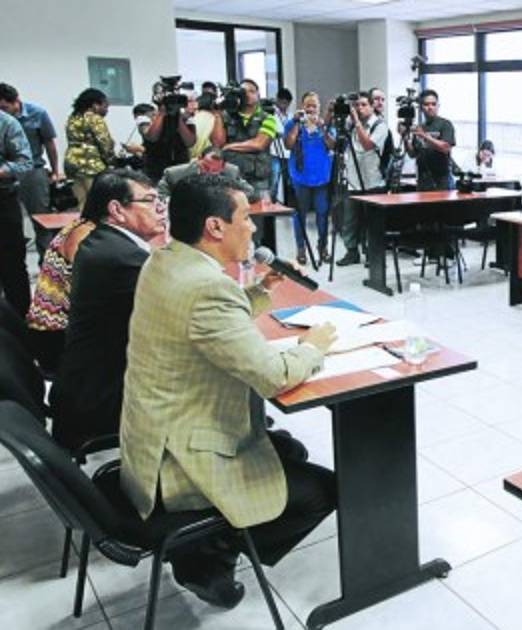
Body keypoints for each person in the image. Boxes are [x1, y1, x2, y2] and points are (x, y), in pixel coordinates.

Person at [119, 173, 336, 609]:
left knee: (288, 449)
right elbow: (273, 376)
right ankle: (211, 552)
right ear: (215, 227)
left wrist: (261, 290)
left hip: (151, 439)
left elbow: (204, 319)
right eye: (246, 218)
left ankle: (212, 548)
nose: (254, 228)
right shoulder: (207, 287)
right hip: (182, 457)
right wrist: (312, 347)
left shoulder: (164, 261)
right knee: (324, 490)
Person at [49, 169, 164, 453]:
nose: (161, 208)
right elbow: (187, 310)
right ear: (116, 210)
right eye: (150, 200)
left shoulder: (103, 241)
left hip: (83, 384)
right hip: (103, 397)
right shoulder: (121, 258)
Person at [24, 207, 96, 374]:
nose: (155, 209)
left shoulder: (81, 226)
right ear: (116, 208)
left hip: (57, 334)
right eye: (149, 201)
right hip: (57, 339)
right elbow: (88, 294)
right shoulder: (84, 233)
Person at [0, 83, 62, 259]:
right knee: (9, 224)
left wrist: (55, 171)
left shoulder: (38, 113)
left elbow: (49, 144)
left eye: (4, 107)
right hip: (4, 177)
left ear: (16, 101)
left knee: (41, 220)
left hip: (32, 172)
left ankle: (47, 263)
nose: (2, 112)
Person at [335, 92, 389, 266]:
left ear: (372, 106)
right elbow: (336, 144)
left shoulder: (380, 126)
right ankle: (352, 252)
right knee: (349, 221)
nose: (359, 108)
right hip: (353, 181)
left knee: (372, 222)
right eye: (357, 105)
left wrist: (356, 122)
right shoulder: (350, 124)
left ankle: (373, 255)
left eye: (364, 105)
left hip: (373, 182)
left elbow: (367, 145)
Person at [283, 91, 334, 265]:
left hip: (322, 177)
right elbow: (288, 145)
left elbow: (332, 145)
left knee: (322, 214)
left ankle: (323, 247)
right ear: (302, 107)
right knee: (299, 215)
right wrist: (297, 124)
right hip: (300, 177)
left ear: (319, 108)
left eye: (314, 106)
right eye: (308, 106)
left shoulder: (325, 124)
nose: (311, 109)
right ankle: (301, 248)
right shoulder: (293, 123)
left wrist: (322, 128)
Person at [0, 108, 33, 319]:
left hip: (3, 201)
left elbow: (25, 162)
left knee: (12, 265)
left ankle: (20, 324)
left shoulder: (6, 123)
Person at [220, 78, 277, 200]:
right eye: (244, 91)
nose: (248, 95)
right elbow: (218, 142)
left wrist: (229, 146)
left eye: (252, 91)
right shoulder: (226, 116)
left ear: (258, 95)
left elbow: (259, 144)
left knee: (261, 210)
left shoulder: (268, 118)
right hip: (232, 176)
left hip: (259, 178)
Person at [64, 88, 116, 210]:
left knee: (81, 203)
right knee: (96, 203)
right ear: (95, 105)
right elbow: (105, 143)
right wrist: (112, 161)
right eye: (105, 106)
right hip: (91, 164)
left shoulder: (72, 118)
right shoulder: (94, 118)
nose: (107, 110)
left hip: (72, 163)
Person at [158, 146, 258, 203]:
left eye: (214, 170)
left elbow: (250, 191)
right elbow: (160, 196)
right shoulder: (174, 174)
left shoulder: (231, 172)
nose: (209, 173)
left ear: (223, 167)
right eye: (205, 167)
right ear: (199, 159)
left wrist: (228, 199)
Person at [401, 88, 455, 192]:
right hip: (423, 181)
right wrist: (405, 137)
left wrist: (424, 136)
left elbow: (445, 148)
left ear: (438, 106)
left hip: (441, 181)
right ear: (421, 107)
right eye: (426, 104)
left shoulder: (445, 124)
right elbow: (412, 154)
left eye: (433, 104)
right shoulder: (420, 127)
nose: (430, 107)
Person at [141, 83, 197, 181]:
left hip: (180, 168)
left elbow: (190, 142)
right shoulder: (146, 116)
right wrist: (162, 113)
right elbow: (152, 137)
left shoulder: (186, 117)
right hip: (155, 169)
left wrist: (178, 116)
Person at [269, 88, 293, 203]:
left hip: (288, 154)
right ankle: (271, 205)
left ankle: (288, 204)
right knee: (274, 181)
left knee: (290, 182)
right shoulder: (271, 113)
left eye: (287, 103)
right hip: (274, 153)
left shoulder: (291, 116)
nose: (284, 105)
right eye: (282, 102)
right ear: (277, 100)